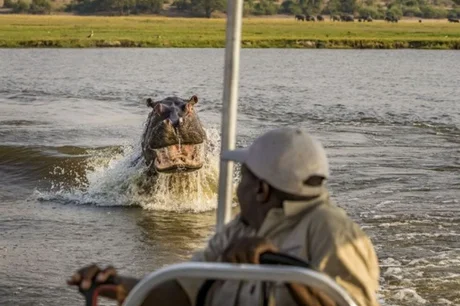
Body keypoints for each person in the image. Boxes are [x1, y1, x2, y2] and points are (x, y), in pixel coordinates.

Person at [68, 127, 381, 306]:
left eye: (242, 177)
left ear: (261, 190)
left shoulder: (334, 233)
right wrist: (117, 286)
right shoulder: (239, 231)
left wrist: (280, 266)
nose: (236, 187)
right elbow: (183, 292)